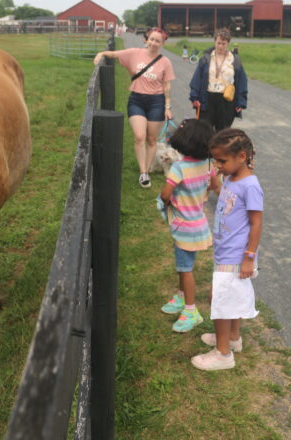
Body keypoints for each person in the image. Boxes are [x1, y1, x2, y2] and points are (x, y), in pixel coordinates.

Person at [192, 129, 263, 371]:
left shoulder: (250, 186)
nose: (217, 165)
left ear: (242, 156)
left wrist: (249, 257)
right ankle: (233, 339)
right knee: (227, 297)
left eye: (222, 161)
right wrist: (216, 181)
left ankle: (223, 354)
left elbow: (256, 223)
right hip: (225, 251)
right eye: (215, 160)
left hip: (237, 254)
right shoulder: (232, 178)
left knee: (219, 299)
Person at [93, 27, 175, 188]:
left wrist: (167, 106)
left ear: (162, 43)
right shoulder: (134, 53)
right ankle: (143, 172)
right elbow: (114, 54)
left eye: (157, 40)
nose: (153, 42)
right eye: (151, 39)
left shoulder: (165, 62)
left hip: (156, 102)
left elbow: (167, 86)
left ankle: (147, 169)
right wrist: (100, 54)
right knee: (139, 136)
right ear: (146, 39)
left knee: (151, 139)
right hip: (137, 100)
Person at [158, 119, 218, 332]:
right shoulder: (209, 164)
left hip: (184, 227)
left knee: (185, 269)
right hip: (199, 223)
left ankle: (191, 311)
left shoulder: (179, 168)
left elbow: (166, 193)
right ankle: (182, 297)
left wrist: (166, 201)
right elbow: (215, 186)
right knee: (184, 265)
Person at [189, 28, 248, 131]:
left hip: (226, 101)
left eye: (223, 44)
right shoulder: (205, 59)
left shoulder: (235, 60)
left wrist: (241, 102)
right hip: (207, 99)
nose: (220, 46)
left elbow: (242, 81)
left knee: (222, 134)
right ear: (214, 41)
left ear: (228, 43)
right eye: (218, 43)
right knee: (204, 132)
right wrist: (194, 97)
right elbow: (197, 79)